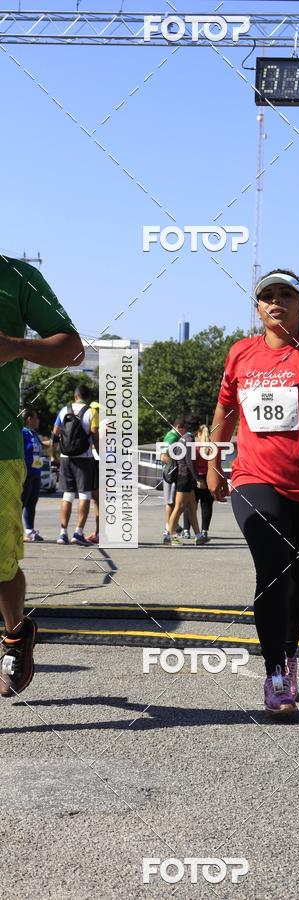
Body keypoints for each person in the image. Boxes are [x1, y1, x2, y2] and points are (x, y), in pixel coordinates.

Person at [208, 269, 299, 714]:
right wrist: (214, 462)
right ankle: (274, 673)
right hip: (254, 478)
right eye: (266, 296)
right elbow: (225, 408)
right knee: (272, 570)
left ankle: (289, 654)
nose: (275, 302)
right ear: (258, 308)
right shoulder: (240, 353)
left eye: (285, 295)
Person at [0, 254, 83, 697]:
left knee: (0, 566)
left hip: (0, 452)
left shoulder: (17, 276)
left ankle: (16, 632)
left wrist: (16, 347)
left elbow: (72, 350)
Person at [53, 383, 99, 545]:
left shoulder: (64, 410)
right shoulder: (92, 411)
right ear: (88, 397)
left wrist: (54, 454)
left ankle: (62, 533)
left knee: (67, 495)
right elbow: (94, 435)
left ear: (75, 396)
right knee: (85, 494)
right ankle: (78, 533)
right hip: (84, 458)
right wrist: (99, 453)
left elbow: (55, 433)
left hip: (66, 457)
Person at [166, 416, 203, 546]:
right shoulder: (189, 439)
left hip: (183, 476)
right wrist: (198, 478)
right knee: (179, 507)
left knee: (192, 508)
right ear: (197, 427)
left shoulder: (182, 438)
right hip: (185, 476)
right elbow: (189, 461)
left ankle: (199, 536)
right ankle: (169, 536)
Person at [21, 408, 50, 542]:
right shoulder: (22, 433)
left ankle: (29, 531)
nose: (38, 420)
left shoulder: (33, 433)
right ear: (28, 419)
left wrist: (56, 439)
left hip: (36, 472)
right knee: (21, 502)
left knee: (32, 503)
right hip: (26, 473)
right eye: (36, 418)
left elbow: (42, 446)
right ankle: (14, 531)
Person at [160, 415, 186, 544]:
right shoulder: (172, 437)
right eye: (184, 430)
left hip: (173, 473)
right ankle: (168, 529)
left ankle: (174, 526)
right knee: (171, 502)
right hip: (171, 474)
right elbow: (163, 456)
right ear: (178, 427)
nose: (185, 433)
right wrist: (176, 465)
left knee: (175, 502)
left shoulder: (175, 436)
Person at [192, 423, 215, 545]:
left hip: (197, 477)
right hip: (209, 477)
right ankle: (204, 530)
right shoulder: (212, 447)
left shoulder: (196, 447)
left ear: (199, 434)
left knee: (192, 506)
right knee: (207, 506)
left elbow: (192, 464)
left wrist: (196, 478)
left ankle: (188, 530)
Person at [85, 400, 101, 544]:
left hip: (98, 461)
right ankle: (99, 532)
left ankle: (100, 533)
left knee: (98, 499)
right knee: (98, 499)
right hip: (101, 461)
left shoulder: (102, 425)